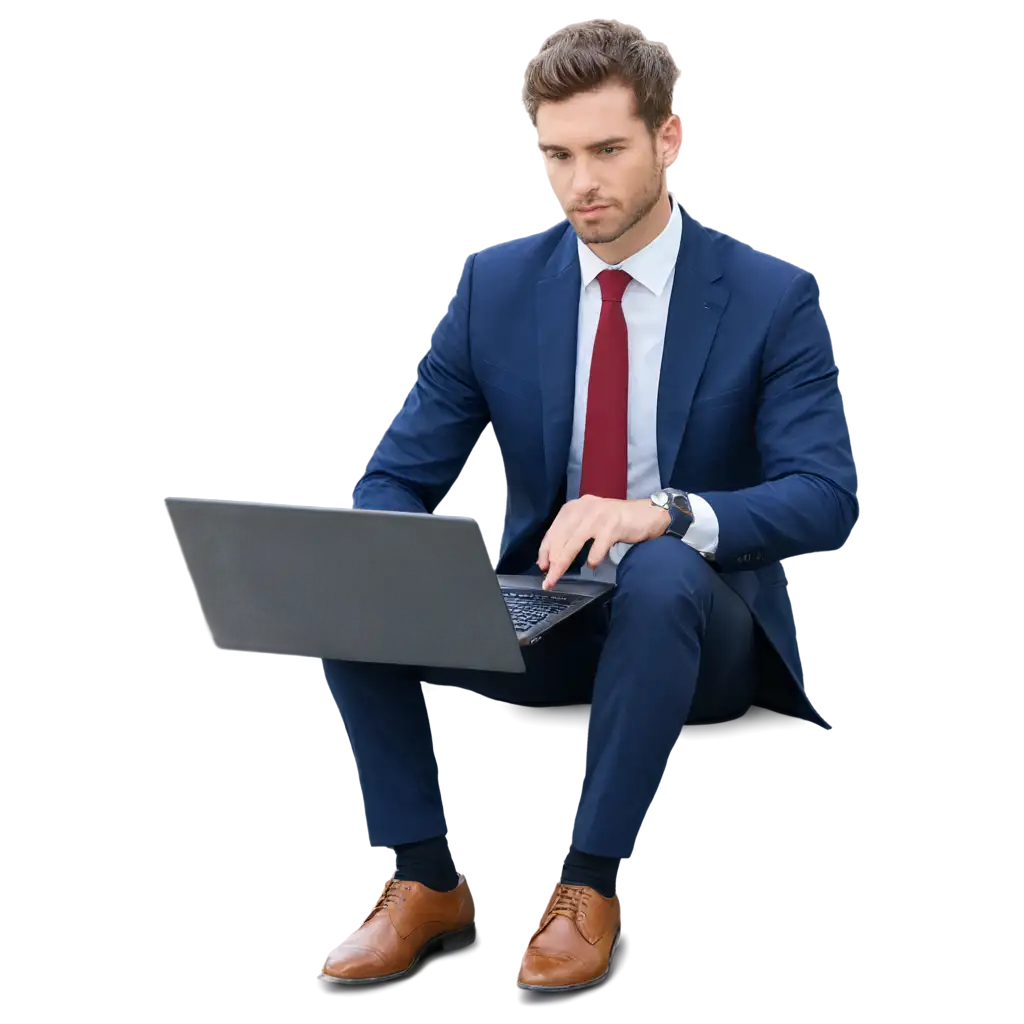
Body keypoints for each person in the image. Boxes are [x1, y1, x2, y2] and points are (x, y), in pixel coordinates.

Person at [316, 17, 859, 997]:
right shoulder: (496, 286)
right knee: (348, 572)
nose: (582, 184)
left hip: (703, 627)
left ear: (668, 139)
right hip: (557, 610)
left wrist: (661, 512)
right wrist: (388, 555)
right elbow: (398, 470)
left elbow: (823, 496)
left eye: (607, 150)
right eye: (557, 156)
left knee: (655, 567)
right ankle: (423, 881)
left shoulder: (769, 296)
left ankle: (585, 887)